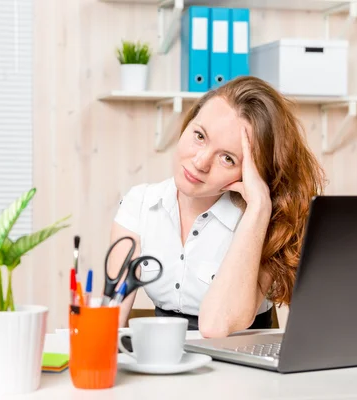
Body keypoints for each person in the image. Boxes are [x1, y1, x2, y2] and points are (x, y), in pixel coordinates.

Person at [109, 76, 327, 338]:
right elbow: (112, 312)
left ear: (252, 172)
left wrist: (258, 208)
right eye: (199, 136)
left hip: (242, 369)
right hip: (166, 357)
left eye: (227, 158)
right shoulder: (140, 204)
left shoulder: (266, 221)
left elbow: (216, 326)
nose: (200, 162)